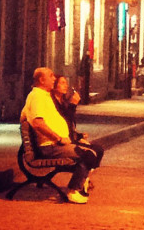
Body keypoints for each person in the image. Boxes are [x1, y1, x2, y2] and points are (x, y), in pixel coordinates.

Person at [20, 66, 96, 204]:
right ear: (42, 80)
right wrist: (58, 138)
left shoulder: (45, 96)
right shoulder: (37, 96)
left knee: (92, 151)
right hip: (49, 146)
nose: (54, 79)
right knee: (87, 154)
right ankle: (73, 190)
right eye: (51, 76)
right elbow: (38, 123)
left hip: (57, 143)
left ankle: (81, 181)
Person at [52, 74, 105, 190]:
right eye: (62, 83)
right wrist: (73, 105)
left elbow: (69, 124)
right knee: (89, 153)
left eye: (66, 83)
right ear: (54, 85)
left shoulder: (62, 101)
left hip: (70, 137)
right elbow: (65, 120)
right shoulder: (53, 103)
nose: (66, 85)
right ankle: (75, 186)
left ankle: (85, 177)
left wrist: (79, 135)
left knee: (99, 150)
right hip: (61, 141)